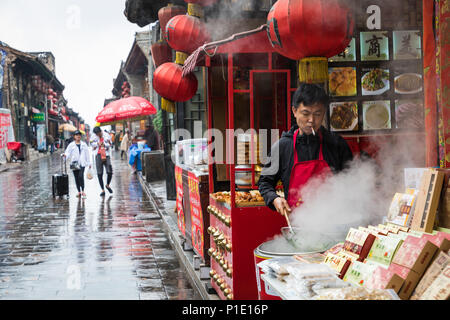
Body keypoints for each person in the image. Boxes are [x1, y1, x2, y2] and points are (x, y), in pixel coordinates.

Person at [258, 83, 354, 217]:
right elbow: (265, 182)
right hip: (299, 225)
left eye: (317, 114)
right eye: (306, 113)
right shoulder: (282, 147)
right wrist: (275, 199)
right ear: (294, 111)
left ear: (324, 113)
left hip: (335, 223)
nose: (311, 120)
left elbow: (352, 182)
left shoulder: (336, 144)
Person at [63, 130, 91, 199]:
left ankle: (83, 191)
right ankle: (79, 191)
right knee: (76, 177)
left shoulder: (84, 144)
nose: (78, 136)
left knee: (81, 176)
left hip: (82, 163)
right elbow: (67, 152)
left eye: (79, 135)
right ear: (74, 136)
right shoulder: (71, 145)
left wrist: (89, 162)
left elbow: (87, 154)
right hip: (74, 163)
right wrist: (65, 155)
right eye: (76, 135)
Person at [91, 126, 114, 197]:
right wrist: (97, 144)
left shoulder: (107, 135)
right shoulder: (93, 136)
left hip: (106, 155)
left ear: (101, 131)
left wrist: (105, 145)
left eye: (99, 133)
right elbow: (91, 143)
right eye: (97, 134)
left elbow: (110, 144)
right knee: (99, 173)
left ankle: (107, 185)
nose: (98, 135)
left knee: (109, 171)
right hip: (98, 155)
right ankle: (102, 190)